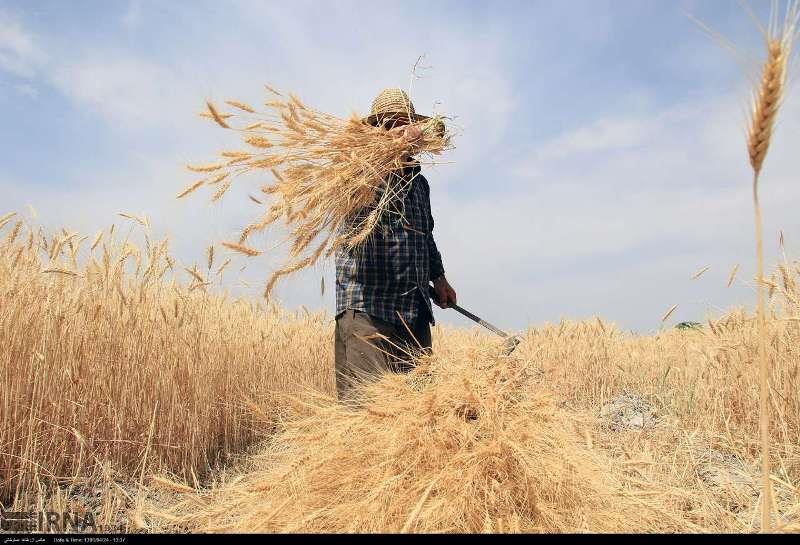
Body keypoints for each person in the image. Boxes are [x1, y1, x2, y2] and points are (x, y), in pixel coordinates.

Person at [334, 88, 457, 400]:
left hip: (413, 314)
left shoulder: (418, 182)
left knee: (418, 417)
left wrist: (438, 278)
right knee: (366, 417)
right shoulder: (355, 173)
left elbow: (424, 235)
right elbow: (371, 225)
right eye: (391, 125)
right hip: (368, 312)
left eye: (405, 124)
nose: (401, 132)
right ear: (376, 132)